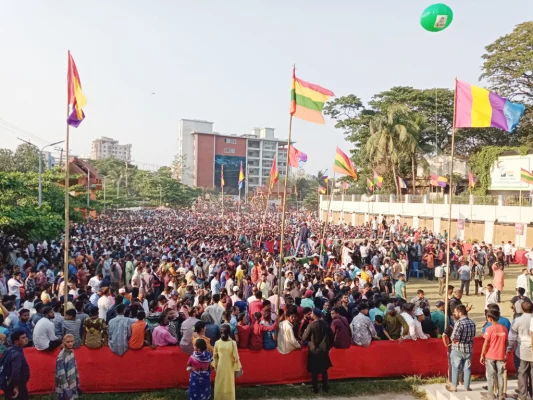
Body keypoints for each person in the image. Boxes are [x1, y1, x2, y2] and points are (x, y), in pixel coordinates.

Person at [302, 308, 334, 394]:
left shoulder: (311, 325)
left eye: (311, 313)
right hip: (324, 350)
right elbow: (331, 336)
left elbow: (304, 338)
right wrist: (330, 346)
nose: (311, 315)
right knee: (324, 370)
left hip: (314, 351)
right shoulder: (326, 324)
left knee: (314, 371)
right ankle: (325, 387)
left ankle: (315, 388)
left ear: (315, 315)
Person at [446, 305, 476, 393]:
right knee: (467, 368)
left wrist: (454, 341)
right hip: (468, 349)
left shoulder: (459, 323)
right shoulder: (472, 322)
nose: (454, 313)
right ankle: (467, 387)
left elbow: (454, 337)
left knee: (455, 367)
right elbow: (473, 335)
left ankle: (454, 386)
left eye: (455, 312)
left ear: (460, 312)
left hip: (458, 349)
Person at [480, 309, 508, 400]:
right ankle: (501, 395)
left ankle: (491, 395)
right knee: (500, 376)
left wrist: (482, 355)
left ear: (490, 319)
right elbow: (506, 342)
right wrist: (505, 353)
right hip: (500, 356)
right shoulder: (504, 329)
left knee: (491, 376)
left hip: (490, 356)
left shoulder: (489, 329)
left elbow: (485, 343)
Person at [507, 300, 533, 400]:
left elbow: (512, 337)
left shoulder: (518, 320)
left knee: (522, 373)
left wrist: (508, 349)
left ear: (522, 309)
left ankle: (523, 395)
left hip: (521, 351)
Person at [212, 324, 242, 400]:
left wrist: (214, 366)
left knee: (220, 383)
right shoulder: (233, 343)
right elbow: (236, 358)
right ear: (229, 332)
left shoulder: (217, 343)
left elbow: (214, 357)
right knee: (229, 383)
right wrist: (237, 367)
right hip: (229, 367)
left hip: (220, 367)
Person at [3, 330, 30, 400]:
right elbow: (15, 372)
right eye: (23, 337)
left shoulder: (8, 350)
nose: (26, 338)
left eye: (26, 336)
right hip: (17, 387)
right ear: (16, 341)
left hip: (8, 385)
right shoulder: (17, 355)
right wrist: (16, 386)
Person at [55, 334, 80, 400]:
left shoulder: (72, 352)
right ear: (63, 342)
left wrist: (77, 379)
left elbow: (75, 367)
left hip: (72, 380)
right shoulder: (61, 357)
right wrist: (66, 389)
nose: (70, 343)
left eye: (72, 341)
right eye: (68, 342)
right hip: (65, 385)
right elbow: (61, 375)